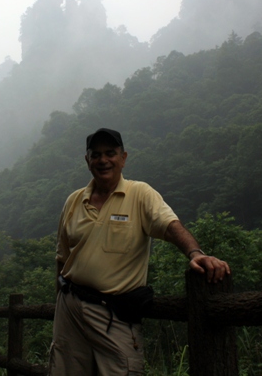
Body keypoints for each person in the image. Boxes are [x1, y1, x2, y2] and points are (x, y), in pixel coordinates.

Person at [49, 128, 231, 375]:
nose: (103, 160)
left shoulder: (140, 194)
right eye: (96, 155)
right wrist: (60, 302)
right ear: (87, 161)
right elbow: (62, 257)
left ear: (123, 158)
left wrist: (195, 253)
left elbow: (169, 226)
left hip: (114, 314)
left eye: (110, 153)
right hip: (69, 309)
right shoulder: (74, 201)